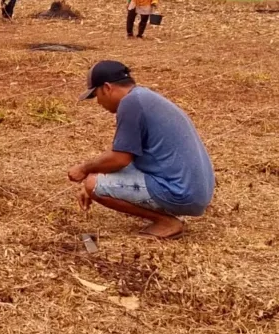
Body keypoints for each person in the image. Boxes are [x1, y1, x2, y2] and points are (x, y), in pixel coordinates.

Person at [67, 61, 215, 239]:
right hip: (196, 190)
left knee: (94, 185)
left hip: (182, 192)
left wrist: (85, 170)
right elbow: (127, 157)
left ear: (106, 88)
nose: (98, 102)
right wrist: (98, 174)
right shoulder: (142, 97)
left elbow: (120, 159)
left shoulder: (131, 104)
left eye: (96, 94)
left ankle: (167, 223)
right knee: (95, 181)